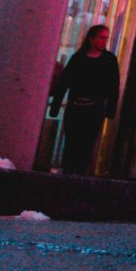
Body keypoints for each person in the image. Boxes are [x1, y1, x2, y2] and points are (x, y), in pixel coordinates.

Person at [52, 23, 120, 174]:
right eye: (101, 38)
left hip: (93, 108)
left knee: (86, 144)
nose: (104, 42)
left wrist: (110, 110)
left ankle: (77, 172)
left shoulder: (108, 60)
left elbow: (114, 86)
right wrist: (56, 106)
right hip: (76, 106)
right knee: (71, 142)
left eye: (106, 39)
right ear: (91, 38)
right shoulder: (78, 58)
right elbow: (64, 82)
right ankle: (70, 171)